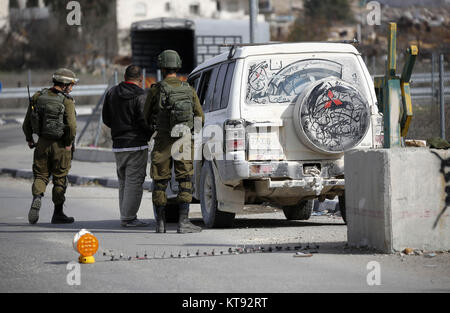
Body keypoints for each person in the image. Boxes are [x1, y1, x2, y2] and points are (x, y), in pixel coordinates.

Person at [144, 50, 204, 233]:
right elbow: (199, 116)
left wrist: (155, 129)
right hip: (184, 139)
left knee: (160, 180)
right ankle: (183, 222)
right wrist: (194, 135)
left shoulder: (156, 90)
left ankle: (160, 223)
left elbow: (146, 116)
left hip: (163, 140)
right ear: (178, 66)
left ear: (161, 67)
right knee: (185, 179)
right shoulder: (188, 89)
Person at [23, 68, 78, 224]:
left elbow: (27, 123)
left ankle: (37, 197)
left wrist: (29, 139)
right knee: (60, 178)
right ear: (65, 84)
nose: (72, 87)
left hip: (42, 143)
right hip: (61, 146)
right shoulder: (66, 101)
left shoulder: (38, 97)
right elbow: (72, 126)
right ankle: (58, 213)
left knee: (40, 176)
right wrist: (68, 143)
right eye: (72, 84)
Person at [102, 65, 152, 227]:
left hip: (118, 145)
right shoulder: (141, 95)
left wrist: (118, 130)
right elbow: (145, 121)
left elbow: (106, 119)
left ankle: (126, 215)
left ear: (124, 77)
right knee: (134, 182)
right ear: (140, 79)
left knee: (123, 181)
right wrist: (149, 134)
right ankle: (129, 218)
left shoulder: (112, 93)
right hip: (136, 145)